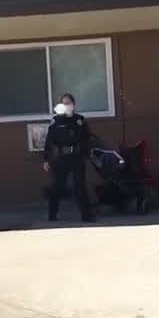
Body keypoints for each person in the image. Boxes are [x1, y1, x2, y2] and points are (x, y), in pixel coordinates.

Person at [42, 93, 93, 222]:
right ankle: (52, 215)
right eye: (64, 103)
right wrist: (46, 159)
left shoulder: (79, 120)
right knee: (57, 187)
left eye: (69, 103)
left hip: (76, 158)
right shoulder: (56, 121)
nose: (67, 105)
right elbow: (49, 142)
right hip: (61, 158)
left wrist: (85, 154)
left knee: (79, 187)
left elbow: (87, 140)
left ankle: (86, 216)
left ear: (74, 105)